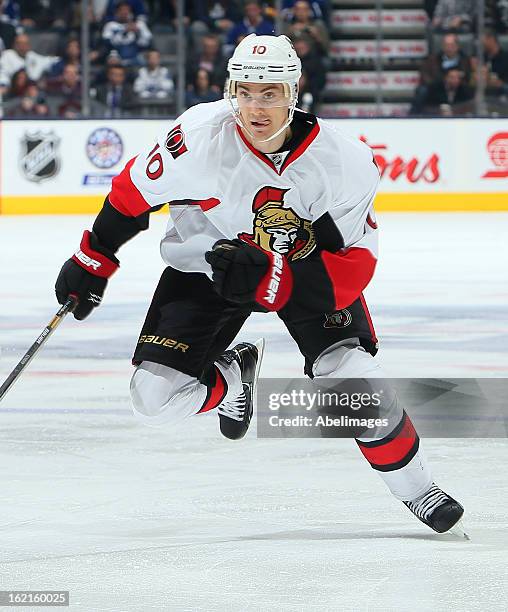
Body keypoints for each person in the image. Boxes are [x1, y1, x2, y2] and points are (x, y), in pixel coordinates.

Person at [54, 34, 464, 534]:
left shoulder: (345, 162)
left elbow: (352, 269)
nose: (256, 105)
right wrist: (93, 257)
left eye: (270, 92)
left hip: (305, 273)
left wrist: (274, 279)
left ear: (294, 91)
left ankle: (417, 488)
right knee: (153, 400)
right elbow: (130, 192)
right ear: (231, 90)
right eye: (246, 91)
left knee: (358, 384)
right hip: (208, 267)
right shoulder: (198, 138)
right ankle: (230, 382)